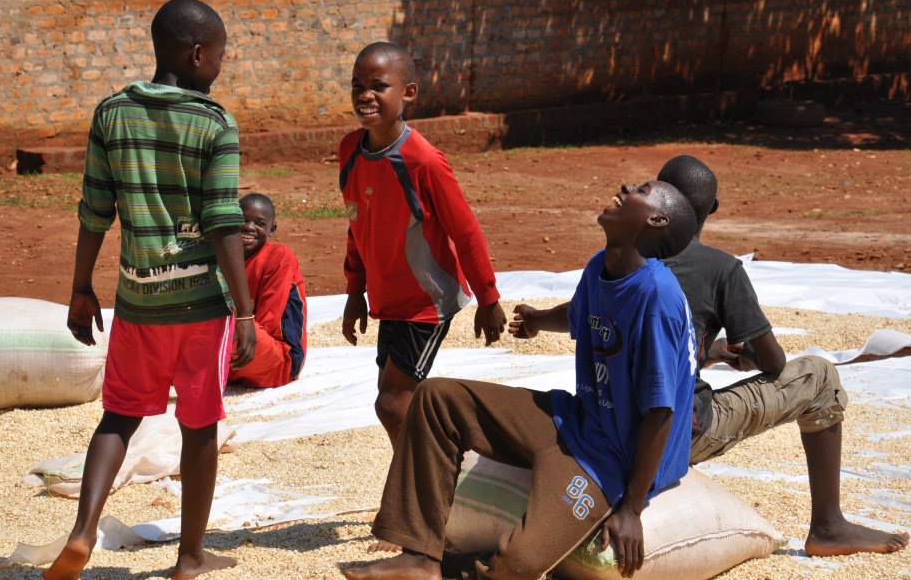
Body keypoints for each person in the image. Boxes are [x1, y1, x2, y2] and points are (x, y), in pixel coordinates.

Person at [344, 180, 698, 580]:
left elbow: (660, 411)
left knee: (518, 564)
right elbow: (582, 312)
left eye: (642, 189)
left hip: (613, 459)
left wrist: (632, 508)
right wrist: (539, 320)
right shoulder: (602, 266)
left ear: (656, 219)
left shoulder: (657, 297)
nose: (625, 186)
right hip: (578, 419)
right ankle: (420, 557)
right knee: (437, 398)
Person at [44, 0, 255, 580]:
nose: (219, 64)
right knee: (199, 427)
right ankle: (190, 557)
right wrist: (243, 311)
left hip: (138, 302)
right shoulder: (214, 123)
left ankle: (84, 531)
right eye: (218, 54)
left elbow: (95, 210)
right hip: (201, 308)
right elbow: (221, 220)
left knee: (118, 417)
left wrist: (81, 287)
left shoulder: (111, 113)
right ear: (195, 54)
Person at [656, 154, 909, 557]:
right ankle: (829, 526)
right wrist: (749, 352)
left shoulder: (617, 261)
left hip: (616, 426)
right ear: (714, 209)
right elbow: (773, 362)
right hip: (682, 433)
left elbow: (645, 347)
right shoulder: (719, 268)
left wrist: (713, 350)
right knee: (820, 376)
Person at [338, 41, 507, 447]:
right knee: (397, 399)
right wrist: (354, 292)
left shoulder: (424, 162)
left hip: (424, 303)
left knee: (392, 404)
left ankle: (420, 489)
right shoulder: (350, 152)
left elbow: (464, 232)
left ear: (408, 93)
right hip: (387, 299)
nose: (365, 95)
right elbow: (356, 225)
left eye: (379, 85)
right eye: (357, 85)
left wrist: (488, 297)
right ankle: (425, 481)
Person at [229, 193, 308, 388]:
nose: (249, 227)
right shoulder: (225, 257)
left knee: (221, 324)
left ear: (272, 229)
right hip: (237, 352)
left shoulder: (278, 257)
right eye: (243, 220)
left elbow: (268, 324)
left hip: (278, 359)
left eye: (259, 223)